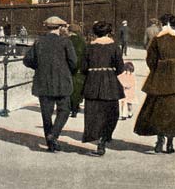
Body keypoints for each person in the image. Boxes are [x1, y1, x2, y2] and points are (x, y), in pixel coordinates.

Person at [23, 16, 77, 152]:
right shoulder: (66, 42)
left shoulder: (39, 42)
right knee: (64, 110)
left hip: (43, 82)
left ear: (47, 27)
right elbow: (73, 62)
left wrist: (39, 67)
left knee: (46, 114)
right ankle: (54, 134)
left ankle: (50, 143)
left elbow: (27, 60)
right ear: (59, 28)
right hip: (62, 82)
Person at [134, 13, 175, 154]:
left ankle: (160, 141)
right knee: (174, 112)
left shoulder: (157, 40)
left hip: (160, 81)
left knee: (159, 111)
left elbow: (150, 60)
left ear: (162, 24)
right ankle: (171, 143)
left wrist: (158, 71)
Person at [81, 21, 125, 156]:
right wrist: (108, 73)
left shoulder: (89, 47)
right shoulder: (114, 46)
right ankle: (104, 139)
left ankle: (97, 138)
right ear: (109, 32)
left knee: (93, 113)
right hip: (110, 83)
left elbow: (83, 68)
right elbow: (120, 68)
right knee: (111, 113)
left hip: (92, 83)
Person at [68, 23, 86, 118]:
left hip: (69, 69)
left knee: (70, 89)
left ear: (70, 31)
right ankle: (75, 108)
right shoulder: (83, 41)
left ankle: (71, 108)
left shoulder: (67, 41)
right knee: (78, 90)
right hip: (80, 70)